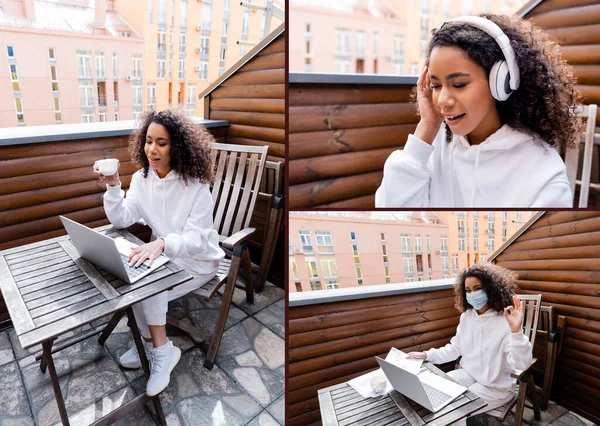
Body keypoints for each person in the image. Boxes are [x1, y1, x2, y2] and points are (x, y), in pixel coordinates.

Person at [375, 14, 583, 208]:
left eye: (459, 84)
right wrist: (427, 128)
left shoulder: (543, 175)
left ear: (502, 83)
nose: (442, 100)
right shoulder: (435, 145)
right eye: (436, 86)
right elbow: (395, 214)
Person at [95, 109, 224, 397]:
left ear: (177, 147)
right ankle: (157, 347)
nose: (152, 149)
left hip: (198, 261)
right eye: (148, 141)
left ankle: (159, 351)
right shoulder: (143, 179)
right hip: (167, 257)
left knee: (150, 286)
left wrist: (162, 243)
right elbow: (122, 218)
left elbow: (198, 239)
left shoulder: (196, 187)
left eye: (162, 143)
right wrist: (114, 186)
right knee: (137, 279)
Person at [407, 264, 532, 425]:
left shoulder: (505, 322)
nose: (472, 294)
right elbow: (454, 348)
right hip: (468, 375)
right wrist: (426, 355)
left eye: (477, 288)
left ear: (490, 289)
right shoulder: (467, 317)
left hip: (494, 388)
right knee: (434, 391)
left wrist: (516, 332)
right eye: (468, 290)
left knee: (453, 411)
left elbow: (522, 364)